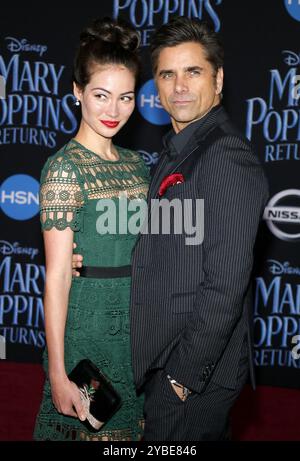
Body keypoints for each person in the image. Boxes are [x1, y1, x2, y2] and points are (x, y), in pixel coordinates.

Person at [73, 17, 269, 441]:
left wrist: (182, 377)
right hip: (164, 362)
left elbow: (225, 285)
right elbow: (160, 242)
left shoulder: (225, 159)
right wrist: (86, 253)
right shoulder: (176, 151)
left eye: (193, 71)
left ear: (218, 80)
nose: (179, 85)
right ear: (157, 88)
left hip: (192, 372)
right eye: (168, 73)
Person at [34, 17, 149, 441]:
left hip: (137, 331)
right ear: (77, 91)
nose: (113, 110)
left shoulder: (138, 166)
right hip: (88, 328)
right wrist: (58, 372)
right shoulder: (64, 170)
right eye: (101, 95)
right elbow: (59, 276)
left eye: (125, 98)